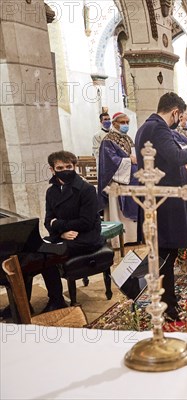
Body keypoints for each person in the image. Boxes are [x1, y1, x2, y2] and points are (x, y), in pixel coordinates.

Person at [134, 92, 187, 321]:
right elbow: (174, 156)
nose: (179, 120)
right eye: (180, 116)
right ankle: (168, 309)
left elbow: (164, 161)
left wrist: (186, 165)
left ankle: (168, 304)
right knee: (166, 254)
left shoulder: (148, 128)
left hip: (161, 198)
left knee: (166, 253)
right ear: (175, 112)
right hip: (165, 203)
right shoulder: (158, 129)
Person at [43, 151, 104, 311]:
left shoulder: (86, 189)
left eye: (69, 166)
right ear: (52, 170)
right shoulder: (51, 192)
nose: (65, 170)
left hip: (86, 237)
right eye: (60, 167)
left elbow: (86, 222)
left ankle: (56, 300)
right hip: (64, 235)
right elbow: (47, 221)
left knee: (48, 254)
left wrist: (58, 224)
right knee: (36, 250)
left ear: (75, 166)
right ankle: (25, 302)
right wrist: (61, 232)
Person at [97, 112, 139, 244]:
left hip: (131, 179)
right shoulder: (108, 140)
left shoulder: (128, 138)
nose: (125, 125)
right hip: (117, 181)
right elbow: (110, 161)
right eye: (122, 122)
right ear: (114, 123)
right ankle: (119, 240)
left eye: (127, 122)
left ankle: (133, 237)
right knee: (118, 212)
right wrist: (129, 161)